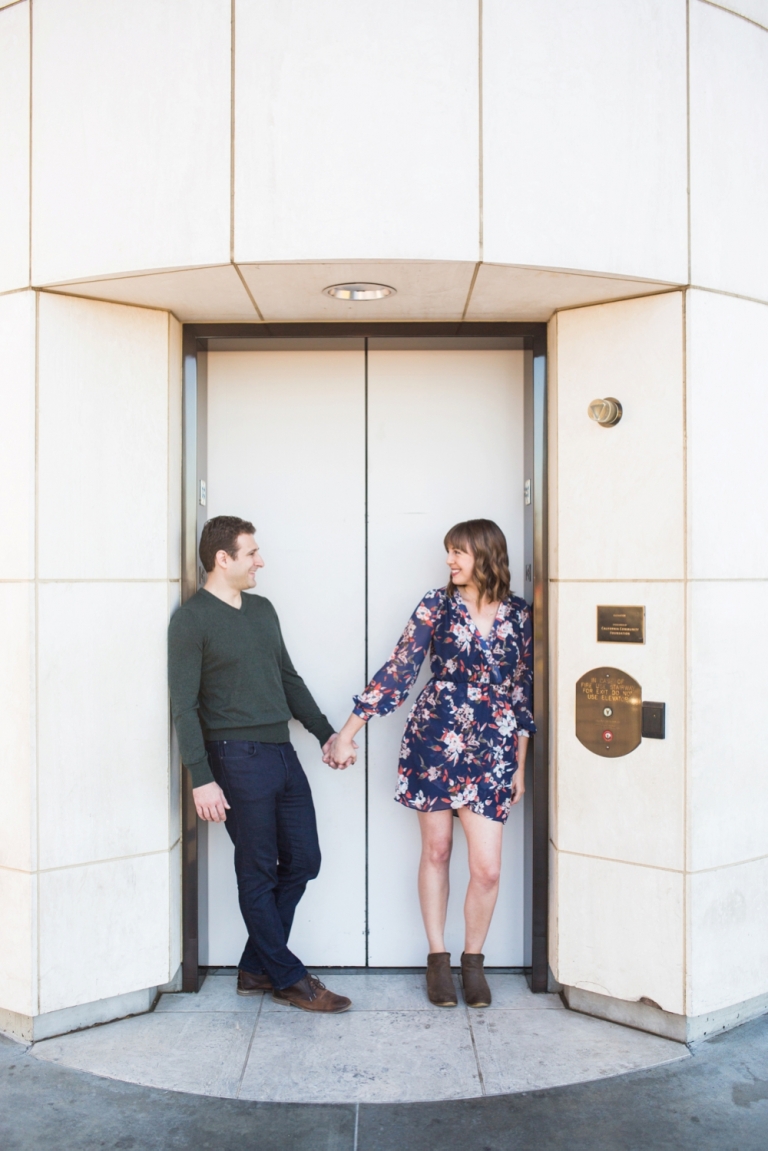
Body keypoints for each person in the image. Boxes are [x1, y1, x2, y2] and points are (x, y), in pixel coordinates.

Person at [330, 519, 535, 1008]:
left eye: (459, 552)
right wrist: (348, 731)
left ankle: (474, 961)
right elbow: (400, 668)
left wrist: (520, 767)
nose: (450, 561)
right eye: (449, 552)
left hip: (494, 748)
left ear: (486, 554)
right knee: (438, 850)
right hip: (435, 738)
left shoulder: (520, 616)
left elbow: (523, 693)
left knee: (486, 869)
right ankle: (438, 959)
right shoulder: (436, 605)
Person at [168, 515, 351, 1013]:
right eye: (251, 553)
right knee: (258, 871)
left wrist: (325, 733)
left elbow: (288, 678)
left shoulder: (262, 610)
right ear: (222, 559)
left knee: (304, 860)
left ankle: (255, 967)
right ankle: (290, 978)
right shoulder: (192, 620)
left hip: (281, 753)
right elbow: (183, 707)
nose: (260, 561)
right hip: (234, 759)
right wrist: (201, 779)